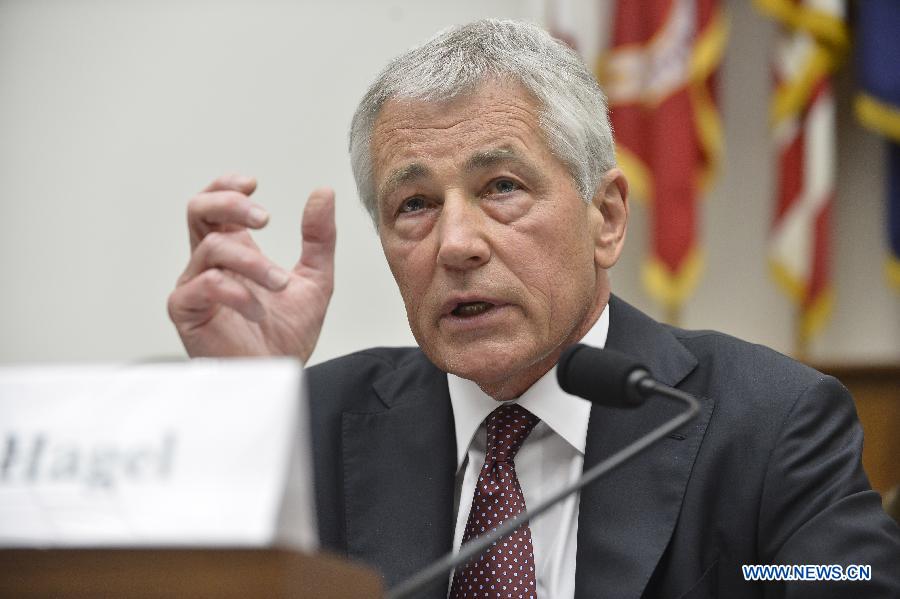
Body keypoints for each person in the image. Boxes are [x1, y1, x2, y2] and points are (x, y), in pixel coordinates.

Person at [167, 19, 900, 599]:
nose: (456, 243)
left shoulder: (767, 421)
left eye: (502, 187)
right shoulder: (313, 422)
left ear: (605, 217)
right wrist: (244, 413)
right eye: (415, 204)